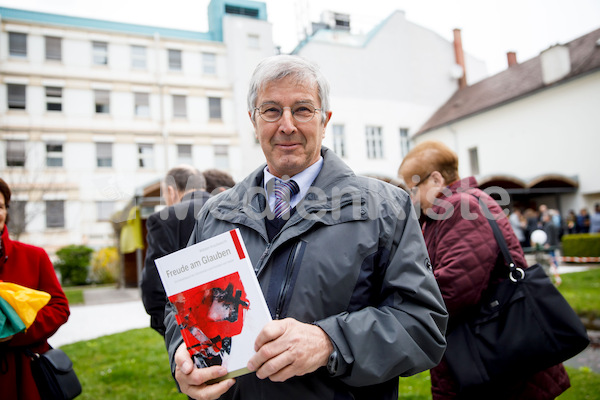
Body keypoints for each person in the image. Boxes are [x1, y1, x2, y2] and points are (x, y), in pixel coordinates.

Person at [164, 55, 448, 400]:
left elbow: (423, 326)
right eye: (271, 110)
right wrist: (181, 351)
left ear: (325, 121)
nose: (286, 125)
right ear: (253, 121)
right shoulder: (215, 213)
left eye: (302, 110)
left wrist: (329, 342)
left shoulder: (386, 208)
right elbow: (181, 307)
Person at [398, 140, 570, 399]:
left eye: (413, 187)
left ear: (435, 179)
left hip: (493, 356)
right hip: (493, 352)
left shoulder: (460, 208)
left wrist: (399, 309)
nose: (412, 197)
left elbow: (455, 288)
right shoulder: (456, 207)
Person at [0, 178, 71, 400]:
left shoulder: (34, 256)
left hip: (26, 378)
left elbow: (60, 308)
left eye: (0, 206)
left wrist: (12, 332)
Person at [141, 165, 210, 337]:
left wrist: (169, 332)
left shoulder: (163, 219)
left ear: (171, 191)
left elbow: (153, 285)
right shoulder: (231, 209)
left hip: (186, 327)